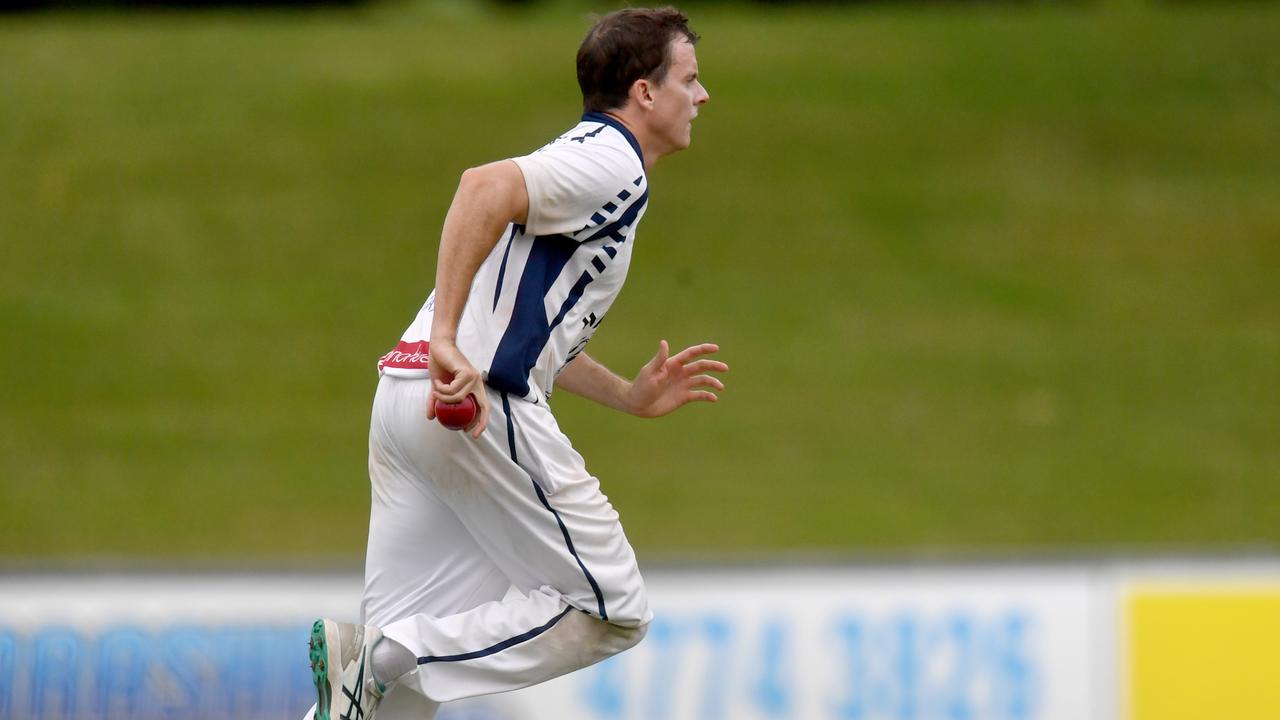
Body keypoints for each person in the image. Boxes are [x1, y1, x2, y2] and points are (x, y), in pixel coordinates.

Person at [306, 7, 722, 720]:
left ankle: (374, 663)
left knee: (381, 707)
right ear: (645, 93)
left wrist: (626, 393)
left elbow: (524, 328)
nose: (703, 94)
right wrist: (446, 338)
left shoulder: (593, 161)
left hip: (411, 400)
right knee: (612, 608)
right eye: (690, 77)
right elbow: (481, 188)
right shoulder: (611, 158)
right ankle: (383, 656)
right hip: (468, 409)